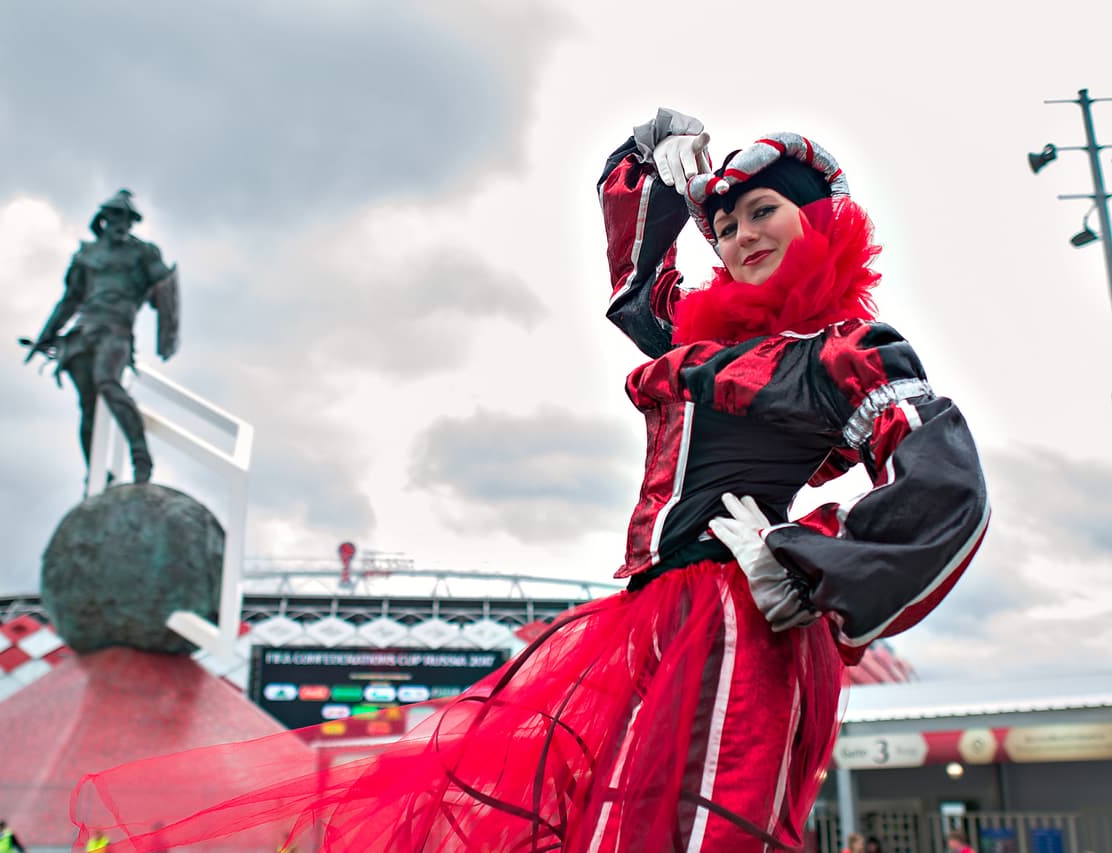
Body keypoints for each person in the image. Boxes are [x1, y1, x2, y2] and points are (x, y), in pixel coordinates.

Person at [70, 110, 988, 852]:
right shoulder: (709, 345)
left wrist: (815, 565)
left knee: (708, 823)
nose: (742, 234)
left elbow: (945, 482)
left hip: (738, 623)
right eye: (728, 219)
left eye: (766, 213)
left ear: (817, 216)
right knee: (611, 822)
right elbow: (640, 284)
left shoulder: (838, 356)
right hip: (650, 621)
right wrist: (649, 156)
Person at [25, 189, 178, 486]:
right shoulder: (87, 255)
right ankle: (95, 472)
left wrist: (164, 302)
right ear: (105, 217)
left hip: (116, 330)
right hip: (83, 332)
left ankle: (140, 457)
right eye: (117, 215)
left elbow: (165, 286)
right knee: (88, 406)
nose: (122, 223)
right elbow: (69, 301)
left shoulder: (143, 253)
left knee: (107, 382)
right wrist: (45, 336)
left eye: (128, 218)